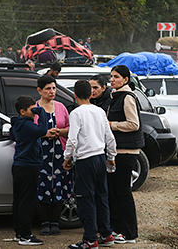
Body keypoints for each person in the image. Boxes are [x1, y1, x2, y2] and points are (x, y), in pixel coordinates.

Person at [63, 80, 117, 249]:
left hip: (85, 160)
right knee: (101, 196)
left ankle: (90, 239)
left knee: (86, 199)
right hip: (100, 157)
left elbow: (72, 139)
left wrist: (67, 157)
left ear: (75, 95)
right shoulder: (100, 111)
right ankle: (106, 234)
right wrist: (111, 156)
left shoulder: (76, 113)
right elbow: (109, 136)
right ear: (91, 94)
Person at [107, 65, 142, 244]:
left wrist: (111, 125)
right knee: (115, 192)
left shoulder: (127, 97)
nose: (112, 79)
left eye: (116, 77)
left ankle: (129, 233)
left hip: (126, 152)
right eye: (111, 76)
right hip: (117, 151)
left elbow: (133, 124)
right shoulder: (116, 96)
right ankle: (118, 229)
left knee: (123, 192)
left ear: (125, 80)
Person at [35, 75, 71, 236]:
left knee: (59, 186)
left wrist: (61, 132)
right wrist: (44, 134)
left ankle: (55, 222)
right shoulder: (34, 108)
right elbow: (29, 130)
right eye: (48, 88)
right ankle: (44, 222)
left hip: (60, 154)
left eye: (54, 88)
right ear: (39, 90)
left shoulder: (61, 107)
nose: (52, 91)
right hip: (41, 156)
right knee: (41, 186)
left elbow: (71, 127)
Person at [10, 95, 49, 246]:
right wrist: (42, 113)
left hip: (19, 165)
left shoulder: (18, 124)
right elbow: (43, 130)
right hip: (28, 166)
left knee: (19, 200)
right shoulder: (26, 125)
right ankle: (25, 235)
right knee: (27, 202)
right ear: (22, 111)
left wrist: (35, 112)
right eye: (31, 109)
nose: (34, 112)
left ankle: (19, 232)